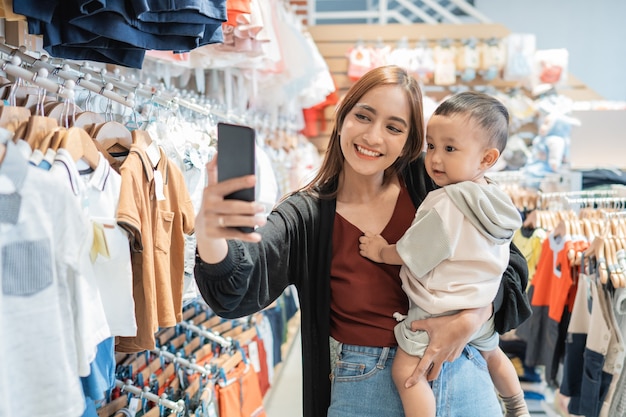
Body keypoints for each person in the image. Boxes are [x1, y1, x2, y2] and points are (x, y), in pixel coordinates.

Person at [194, 65, 531, 417]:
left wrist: (474, 316)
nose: (373, 137)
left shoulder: (436, 182)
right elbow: (238, 285)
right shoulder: (306, 216)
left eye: (393, 127)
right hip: (365, 388)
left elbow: (509, 263)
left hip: (463, 370)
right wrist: (209, 231)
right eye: (363, 116)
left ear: (408, 141)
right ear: (342, 119)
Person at [359, 91, 530, 417]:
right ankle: (517, 406)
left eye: (450, 149)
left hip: (439, 307)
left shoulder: (445, 202)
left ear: (486, 158)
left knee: (407, 373)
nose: (435, 159)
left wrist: (381, 251)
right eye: (432, 146)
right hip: (480, 304)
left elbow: (415, 252)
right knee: (493, 355)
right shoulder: (495, 198)